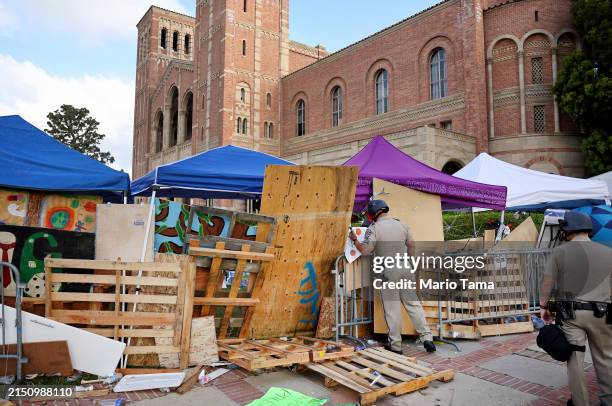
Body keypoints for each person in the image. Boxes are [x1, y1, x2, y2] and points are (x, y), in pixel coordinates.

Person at [539, 211, 612, 406]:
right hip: (604, 314)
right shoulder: (608, 251)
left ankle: (581, 403)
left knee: (575, 360)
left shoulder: (560, 251)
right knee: (606, 358)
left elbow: (547, 282)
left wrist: (543, 306)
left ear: (566, 229)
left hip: (572, 316)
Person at [349, 199, 436, 354]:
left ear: (374, 213)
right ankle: (427, 337)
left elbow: (366, 250)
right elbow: (411, 244)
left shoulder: (374, 228)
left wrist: (355, 240)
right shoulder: (402, 225)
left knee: (392, 309)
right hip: (405, 267)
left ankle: (395, 345)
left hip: (387, 271)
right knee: (413, 305)